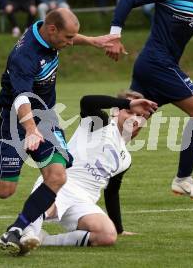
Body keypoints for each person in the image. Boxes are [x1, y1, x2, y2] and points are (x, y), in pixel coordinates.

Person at [0, 8, 124, 256]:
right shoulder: (24, 56)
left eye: (72, 37)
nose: (70, 42)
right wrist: (31, 130)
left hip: (45, 118)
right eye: (68, 38)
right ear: (53, 30)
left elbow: (68, 36)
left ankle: (16, 230)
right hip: (15, 120)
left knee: (57, 176)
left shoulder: (45, 29)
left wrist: (92, 41)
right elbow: (21, 98)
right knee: (4, 189)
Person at [105, 0, 193, 200]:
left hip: (156, 66)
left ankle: (86, 168)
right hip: (158, 64)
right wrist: (114, 35)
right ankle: (183, 179)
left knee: (129, 129)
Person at [17, 91, 156, 254]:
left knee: (107, 236)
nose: (134, 118)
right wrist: (128, 103)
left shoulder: (126, 159)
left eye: (139, 115)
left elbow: (111, 193)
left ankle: (44, 239)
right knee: (48, 207)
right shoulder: (100, 124)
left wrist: (119, 229)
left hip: (84, 201)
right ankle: (22, 234)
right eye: (129, 112)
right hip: (60, 184)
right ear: (116, 111)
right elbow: (88, 101)